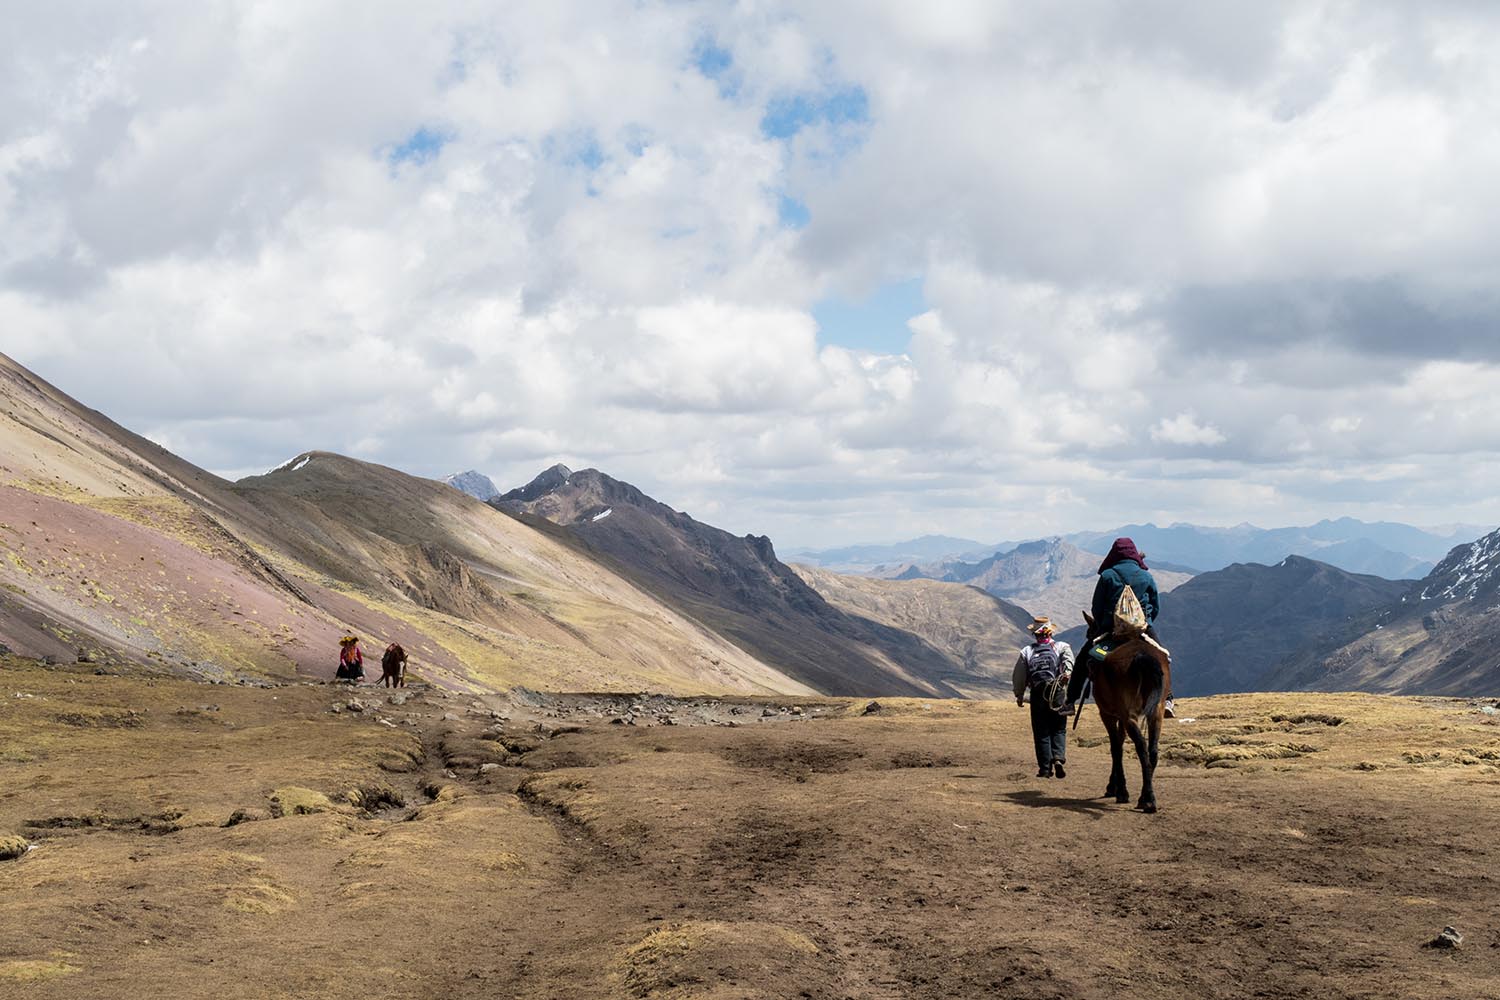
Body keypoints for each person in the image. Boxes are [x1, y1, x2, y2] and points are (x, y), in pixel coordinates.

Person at [1065, 537, 1173, 715]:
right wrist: (1147, 622)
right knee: (1163, 657)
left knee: (1083, 658)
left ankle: (1070, 701)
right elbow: (1155, 604)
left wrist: (1102, 623)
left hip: (1110, 628)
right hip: (1142, 628)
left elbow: (1097, 606)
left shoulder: (1107, 576)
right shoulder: (1146, 576)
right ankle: (1167, 698)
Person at [1013, 616, 1075, 778]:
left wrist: (1019, 695)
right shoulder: (1062, 646)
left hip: (1038, 693)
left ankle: (1045, 769)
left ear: (1035, 633)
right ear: (1051, 632)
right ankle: (1058, 758)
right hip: (1057, 691)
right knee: (1059, 727)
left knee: (1041, 731)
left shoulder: (1027, 651)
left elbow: (1019, 677)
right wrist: (1066, 676)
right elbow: (1069, 666)